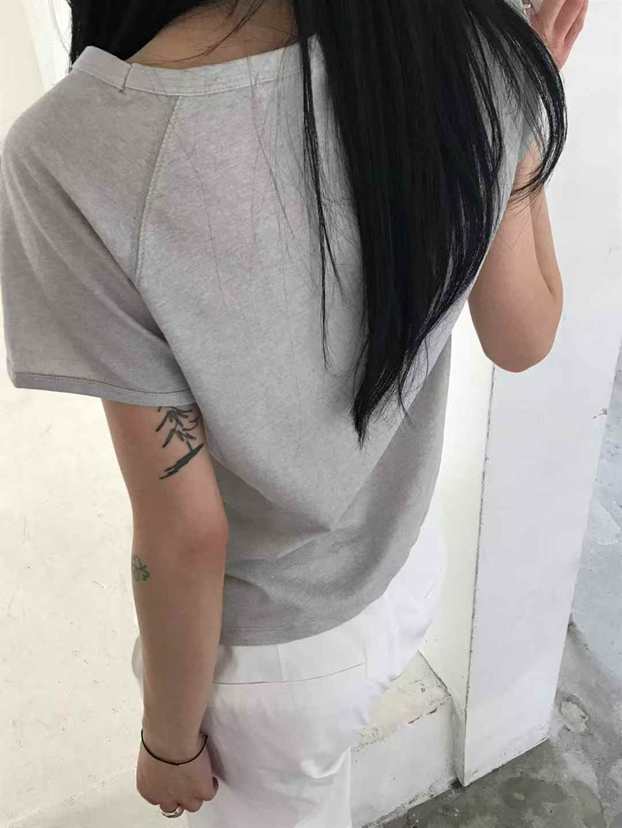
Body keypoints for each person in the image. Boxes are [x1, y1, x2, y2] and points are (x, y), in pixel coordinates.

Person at [0, 0, 587, 824]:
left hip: (274, 667)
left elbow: (184, 536)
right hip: (405, 572)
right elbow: (524, 336)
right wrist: (513, 104)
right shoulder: (465, 34)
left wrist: (168, 742)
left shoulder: (74, 152)